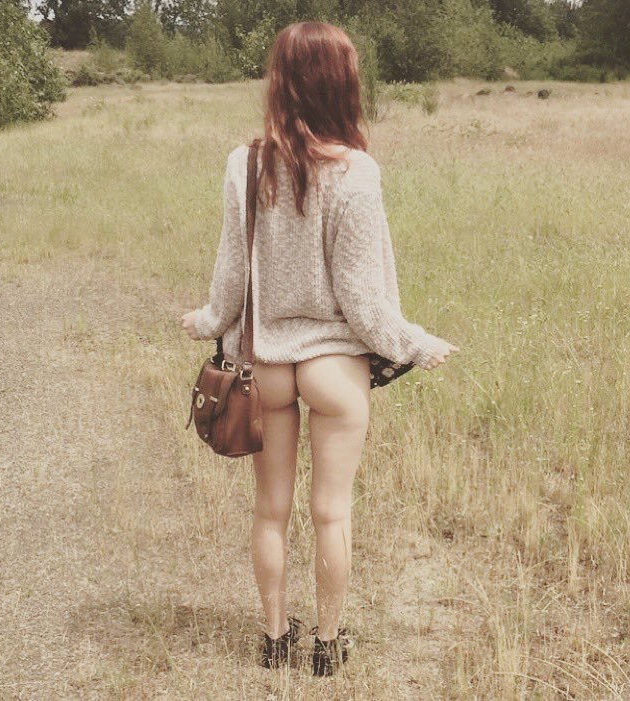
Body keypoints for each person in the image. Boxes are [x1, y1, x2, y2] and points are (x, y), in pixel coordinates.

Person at [180, 21, 460, 676]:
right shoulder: (356, 172)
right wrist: (415, 344)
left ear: (279, 83)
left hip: (267, 366)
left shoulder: (244, 164)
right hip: (334, 367)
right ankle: (328, 646)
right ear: (342, 83)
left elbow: (230, 276)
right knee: (331, 511)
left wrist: (207, 319)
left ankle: (274, 637)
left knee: (270, 509)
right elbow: (362, 301)